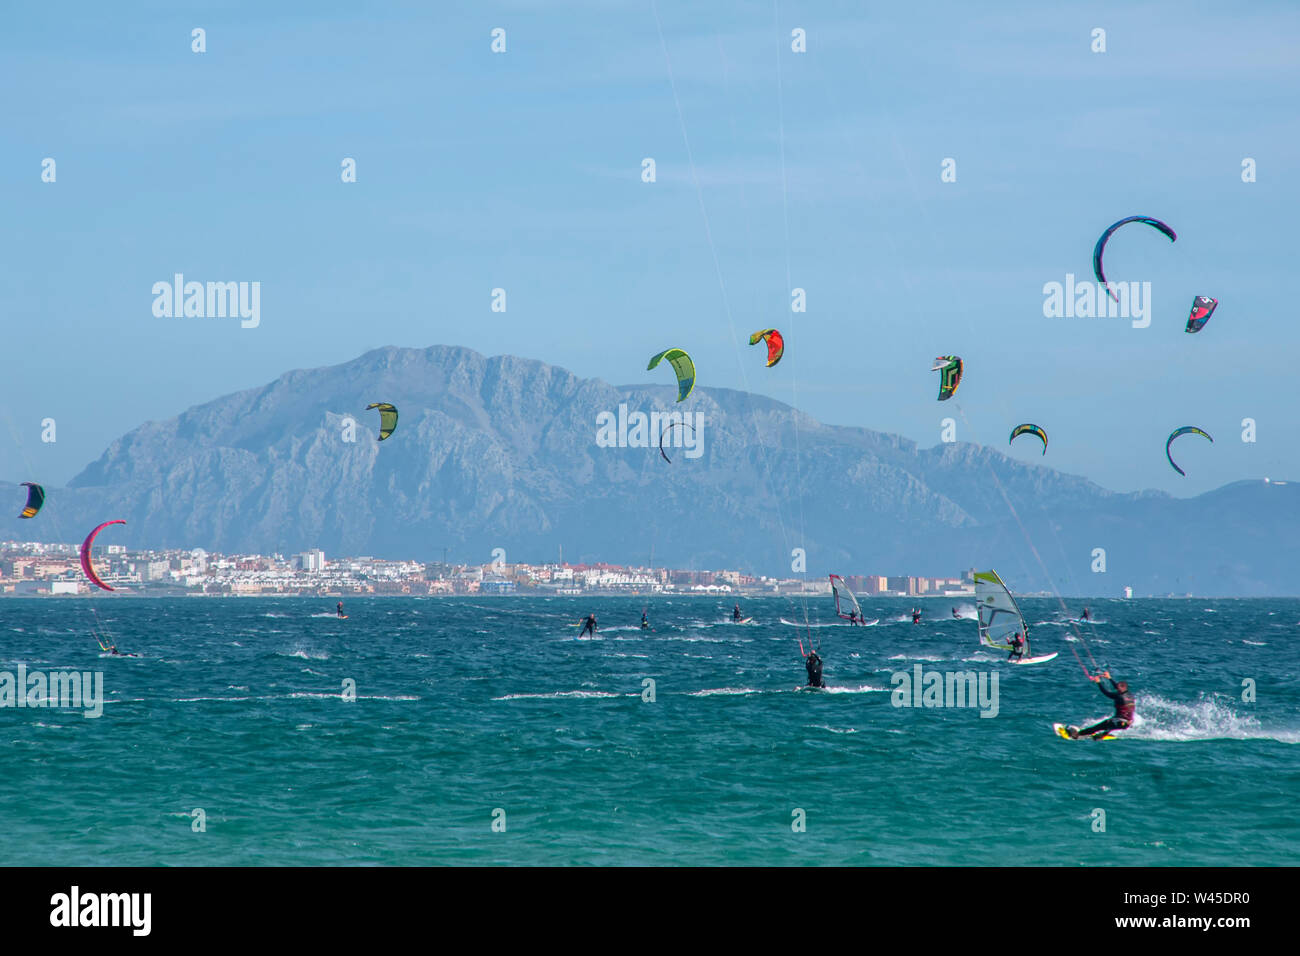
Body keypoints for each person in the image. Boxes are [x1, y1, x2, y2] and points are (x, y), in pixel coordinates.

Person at [1068, 672, 1134, 738]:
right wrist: (1109, 678)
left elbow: (1106, 692)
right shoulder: (1130, 694)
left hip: (1119, 722)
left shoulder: (1119, 696)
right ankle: (1104, 733)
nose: (1117, 689)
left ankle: (1078, 735)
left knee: (1097, 727)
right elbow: (1117, 687)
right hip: (1127, 723)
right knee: (1110, 724)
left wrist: (1098, 682)